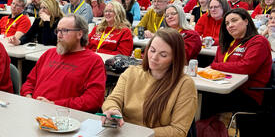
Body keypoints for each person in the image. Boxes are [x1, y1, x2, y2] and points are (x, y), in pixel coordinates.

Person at [101, 28, 197, 137]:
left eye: (163, 55)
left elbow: (178, 131)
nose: (154, 57)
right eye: (152, 50)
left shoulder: (185, 85)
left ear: (175, 58)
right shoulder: (131, 72)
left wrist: (141, 134)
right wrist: (113, 110)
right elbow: (113, 99)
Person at [202, 8, 272, 136]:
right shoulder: (227, 44)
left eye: (234, 21)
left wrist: (215, 66)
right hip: (222, 86)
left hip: (248, 94)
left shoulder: (258, 41)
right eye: (227, 23)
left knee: (204, 101)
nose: (230, 25)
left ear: (246, 21)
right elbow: (217, 66)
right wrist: (216, 66)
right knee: (197, 95)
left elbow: (246, 67)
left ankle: (207, 131)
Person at [20, 14, 106, 112]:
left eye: (64, 31)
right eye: (58, 30)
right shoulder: (49, 53)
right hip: (34, 110)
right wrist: (28, 96)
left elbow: (93, 101)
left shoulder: (94, 61)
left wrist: (54, 105)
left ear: (79, 34)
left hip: (65, 118)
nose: (59, 35)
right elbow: (29, 82)